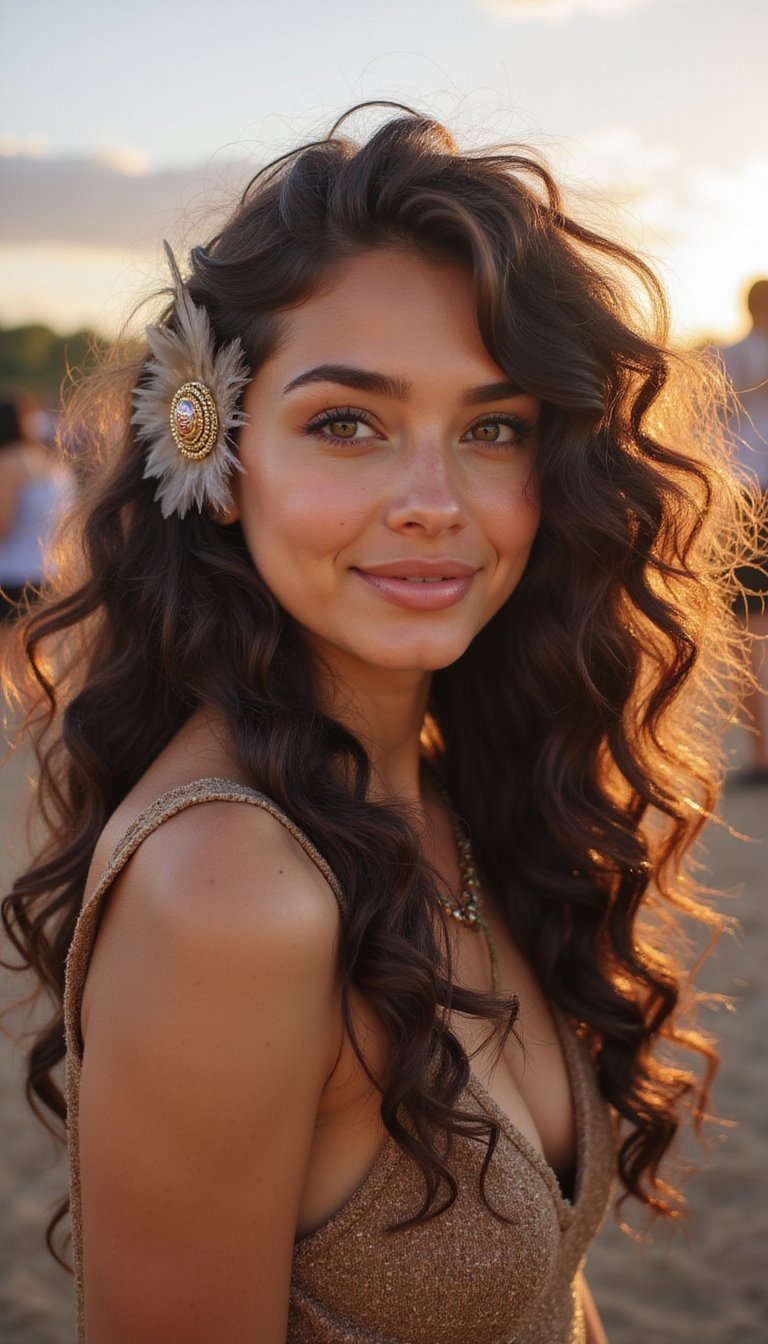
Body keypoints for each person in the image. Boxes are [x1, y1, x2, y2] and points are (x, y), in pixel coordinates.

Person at [1, 106, 752, 1344]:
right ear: (215, 450)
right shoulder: (228, 892)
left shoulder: (446, 791)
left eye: (493, 428)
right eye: (347, 423)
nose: (432, 503)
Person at [721, 279, 768, 784]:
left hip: (745, 502)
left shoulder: (730, 360)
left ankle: (762, 754)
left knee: (748, 632)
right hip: (751, 497)